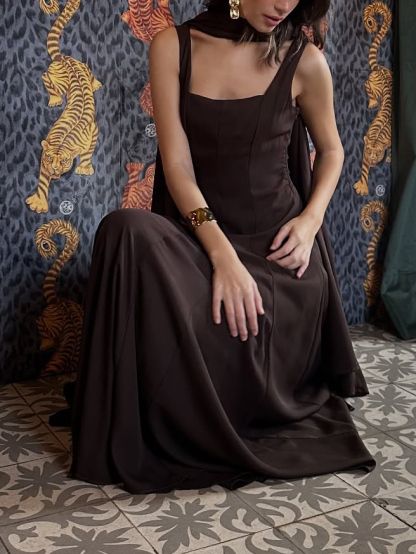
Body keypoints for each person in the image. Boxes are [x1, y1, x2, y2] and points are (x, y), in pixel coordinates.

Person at [68, 0, 376, 494]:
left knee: (237, 314)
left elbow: (333, 150)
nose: (284, 5)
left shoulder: (305, 60)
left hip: (278, 256)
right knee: (123, 229)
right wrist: (220, 255)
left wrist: (310, 222)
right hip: (202, 240)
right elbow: (177, 167)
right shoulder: (172, 46)